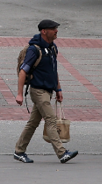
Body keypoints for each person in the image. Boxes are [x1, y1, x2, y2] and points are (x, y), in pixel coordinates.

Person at [13, 19, 79, 164]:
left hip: (48, 90)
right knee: (51, 120)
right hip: (38, 91)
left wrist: (58, 89)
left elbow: (53, 71)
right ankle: (62, 153)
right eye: (53, 28)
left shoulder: (52, 48)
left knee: (33, 123)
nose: (56, 31)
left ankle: (19, 151)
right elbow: (23, 71)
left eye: (56, 28)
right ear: (44, 31)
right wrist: (19, 93)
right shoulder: (34, 49)